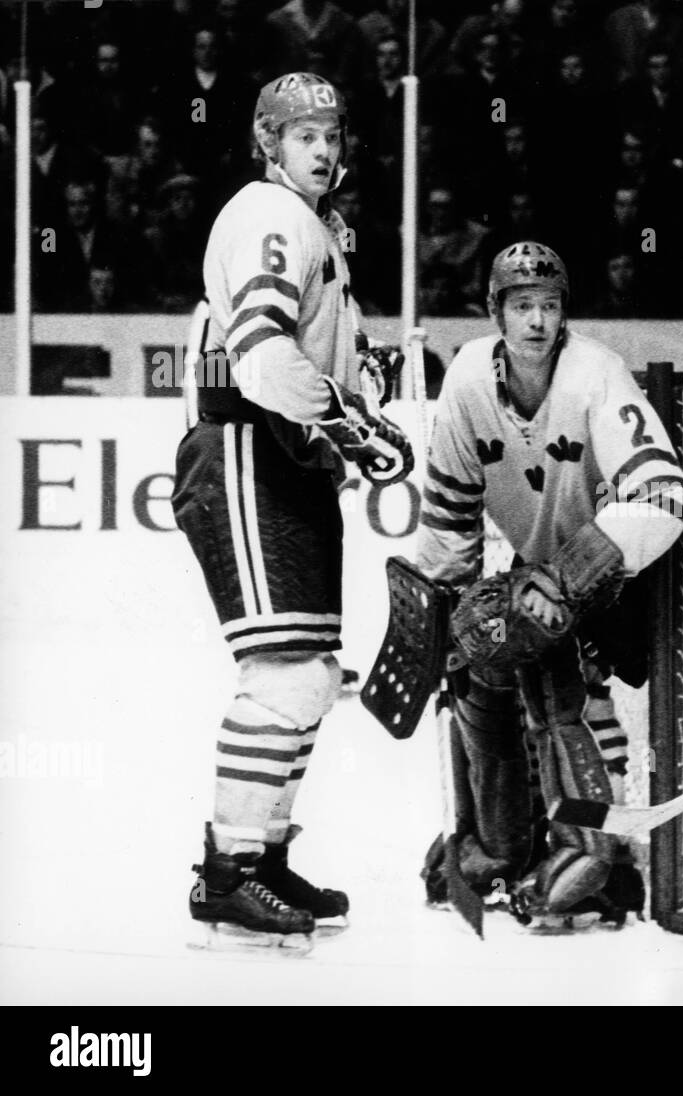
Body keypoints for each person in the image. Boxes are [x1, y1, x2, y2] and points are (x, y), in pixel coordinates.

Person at [172, 72, 414, 951]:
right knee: (282, 674)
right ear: (267, 142)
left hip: (284, 456)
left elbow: (304, 355)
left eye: (331, 134)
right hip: (246, 450)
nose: (323, 148)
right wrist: (348, 422)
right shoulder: (271, 217)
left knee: (309, 674)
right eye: (301, 135)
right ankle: (229, 873)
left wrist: (354, 397)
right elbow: (264, 357)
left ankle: (261, 856)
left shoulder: (315, 227)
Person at [415, 241, 683, 930]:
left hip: (636, 566)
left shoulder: (595, 374)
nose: (536, 321)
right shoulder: (469, 380)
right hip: (547, 569)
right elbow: (449, 507)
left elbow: (663, 498)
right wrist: (443, 613)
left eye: (549, 306)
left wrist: (567, 581)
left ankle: (605, 851)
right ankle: (504, 844)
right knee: (481, 665)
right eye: (521, 306)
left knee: (566, 675)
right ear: (495, 314)